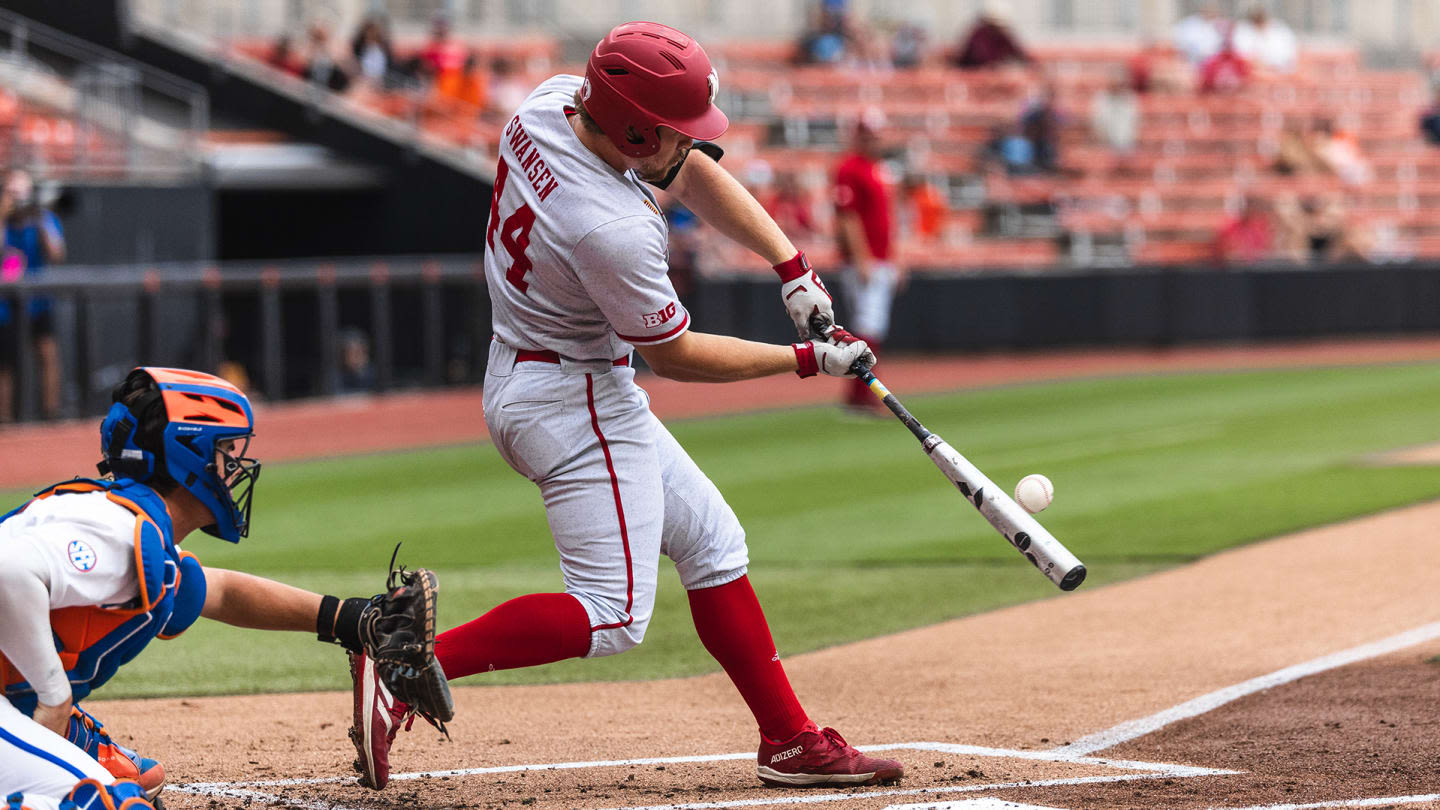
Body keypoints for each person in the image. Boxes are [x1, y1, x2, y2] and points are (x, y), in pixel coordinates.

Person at [347, 20, 900, 793]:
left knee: (712, 541)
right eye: (674, 133)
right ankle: (406, 663)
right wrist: (805, 360)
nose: (690, 145)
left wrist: (791, 266)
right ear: (635, 129)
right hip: (573, 397)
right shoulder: (608, 228)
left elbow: (689, 170)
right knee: (612, 614)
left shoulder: (551, 104)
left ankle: (788, 738)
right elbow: (673, 354)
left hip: (535, 372)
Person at [0, 367, 447, 809]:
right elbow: (8, 571)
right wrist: (54, 696)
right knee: (104, 803)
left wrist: (354, 621)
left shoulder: (137, 532)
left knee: (129, 782)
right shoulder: (118, 529)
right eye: (225, 452)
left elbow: (221, 593)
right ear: (187, 455)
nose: (235, 468)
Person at [833, 111, 898, 415]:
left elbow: (889, 218)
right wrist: (861, 258)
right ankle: (862, 392)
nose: (874, 141)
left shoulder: (879, 169)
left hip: (881, 257)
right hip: (865, 260)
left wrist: (896, 258)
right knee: (866, 325)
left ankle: (860, 392)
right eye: (869, 135)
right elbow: (847, 217)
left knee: (872, 326)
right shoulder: (850, 168)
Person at [0, 169, 65, 422]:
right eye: (12, 192)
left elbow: (57, 254)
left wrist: (39, 220)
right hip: (5, 303)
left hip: (39, 301)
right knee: (4, 365)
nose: (19, 199)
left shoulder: (42, 218)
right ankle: (4, 420)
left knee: (47, 355)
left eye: (22, 192)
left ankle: (51, 415)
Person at [951, 3, 1029, 69]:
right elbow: (980, 58)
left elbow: (1017, 52)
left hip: (991, 71)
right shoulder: (979, 35)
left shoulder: (1003, 36)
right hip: (972, 70)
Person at [1231, 6, 1296, 75]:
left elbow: (1287, 57)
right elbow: (1243, 56)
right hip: (1254, 71)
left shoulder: (1279, 30)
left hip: (1278, 70)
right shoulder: (1243, 31)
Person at [1213, 194, 1273, 265]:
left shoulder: (1259, 226)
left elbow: (1264, 249)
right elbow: (1222, 254)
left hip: (1257, 267)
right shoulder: (1227, 228)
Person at [1173, 2, 1225, 67]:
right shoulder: (1188, 25)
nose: (1210, 9)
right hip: (1191, 65)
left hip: (1215, 67)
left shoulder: (1223, 25)